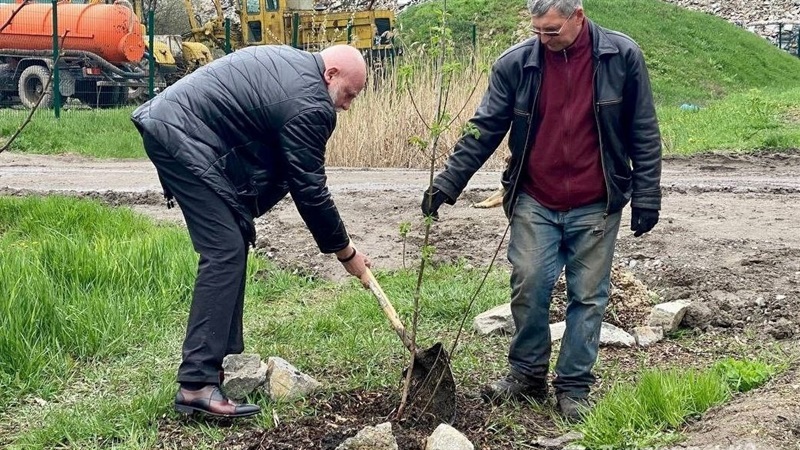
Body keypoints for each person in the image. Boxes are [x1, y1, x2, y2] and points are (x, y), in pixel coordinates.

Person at [421, 0, 662, 421]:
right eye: (537, 31)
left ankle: (573, 387)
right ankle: (527, 373)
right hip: (535, 198)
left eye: (552, 30)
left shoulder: (622, 56)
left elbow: (643, 129)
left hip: (597, 200)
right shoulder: (517, 64)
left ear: (578, 17)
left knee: (588, 297)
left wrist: (647, 195)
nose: (544, 39)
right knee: (529, 284)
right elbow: (485, 129)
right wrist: (447, 183)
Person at [131, 44, 373, 419]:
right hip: (182, 136)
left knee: (232, 244)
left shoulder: (294, 67)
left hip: (177, 128)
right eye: (349, 94)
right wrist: (346, 253)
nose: (347, 105)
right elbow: (309, 189)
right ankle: (196, 386)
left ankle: (223, 362)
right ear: (332, 76)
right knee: (224, 252)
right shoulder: (311, 103)